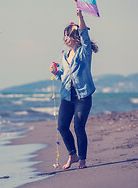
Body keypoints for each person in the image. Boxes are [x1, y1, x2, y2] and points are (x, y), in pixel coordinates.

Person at [50, 9, 98, 170]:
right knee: (62, 127)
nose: (65, 39)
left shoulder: (84, 53)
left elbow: (85, 34)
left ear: (76, 38)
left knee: (78, 126)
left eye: (68, 35)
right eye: (64, 35)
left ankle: (83, 159)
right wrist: (56, 73)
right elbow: (63, 77)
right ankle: (73, 155)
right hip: (67, 97)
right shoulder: (64, 57)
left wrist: (80, 17)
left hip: (82, 96)